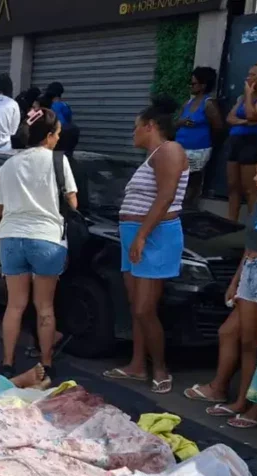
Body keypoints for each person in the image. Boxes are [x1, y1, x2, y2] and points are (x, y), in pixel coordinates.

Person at [103, 98, 188, 394]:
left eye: (136, 127)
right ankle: (137, 365)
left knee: (144, 309)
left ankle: (161, 368)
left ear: (151, 126)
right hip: (136, 235)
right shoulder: (153, 156)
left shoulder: (170, 150)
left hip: (154, 236)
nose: (133, 133)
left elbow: (166, 197)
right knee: (135, 306)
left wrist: (141, 235)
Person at [0, 108, 78, 380]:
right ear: (48, 136)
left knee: (14, 306)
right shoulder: (59, 162)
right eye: (57, 134)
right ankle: (46, 364)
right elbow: (72, 202)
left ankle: (6, 362)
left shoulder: (9, 164)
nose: (58, 139)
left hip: (11, 237)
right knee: (45, 307)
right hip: (47, 239)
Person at [196, 147, 257, 427]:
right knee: (245, 341)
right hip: (251, 274)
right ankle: (242, 399)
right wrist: (236, 280)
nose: (255, 178)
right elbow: (249, 246)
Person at [225, 61, 257, 221]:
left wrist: (249, 94)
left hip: (253, 141)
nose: (248, 78)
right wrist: (244, 122)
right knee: (233, 185)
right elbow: (230, 118)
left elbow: (251, 114)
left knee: (250, 188)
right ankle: (230, 223)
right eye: (248, 74)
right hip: (236, 140)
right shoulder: (241, 97)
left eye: (252, 75)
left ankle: (253, 227)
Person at [176, 66, 224, 210]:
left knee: (192, 182)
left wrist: (206, 140)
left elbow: (218, 127)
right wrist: (182, 123)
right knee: (178, 181)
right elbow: (176, 122)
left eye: (193, 84)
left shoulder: (208, 103)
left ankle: (187, 210)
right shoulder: (187, 103)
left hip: (198, 150)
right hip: (180, 147)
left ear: (203, 85)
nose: (191, 86)